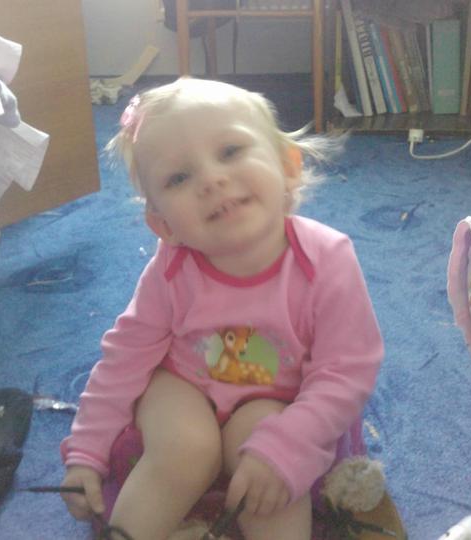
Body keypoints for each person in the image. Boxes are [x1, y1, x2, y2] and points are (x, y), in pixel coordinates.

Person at [60, 77, 384, 540]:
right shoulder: (170, 270)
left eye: (230, 151)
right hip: (184, 385)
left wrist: (288, 447)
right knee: (185, 446)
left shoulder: (327, 259)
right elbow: (124, 360)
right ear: (163, 225)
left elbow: (346, 372)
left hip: (277, 398)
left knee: (267, 462)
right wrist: (86, 452)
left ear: (288, 166)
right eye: (178, 178)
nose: (211, 180)